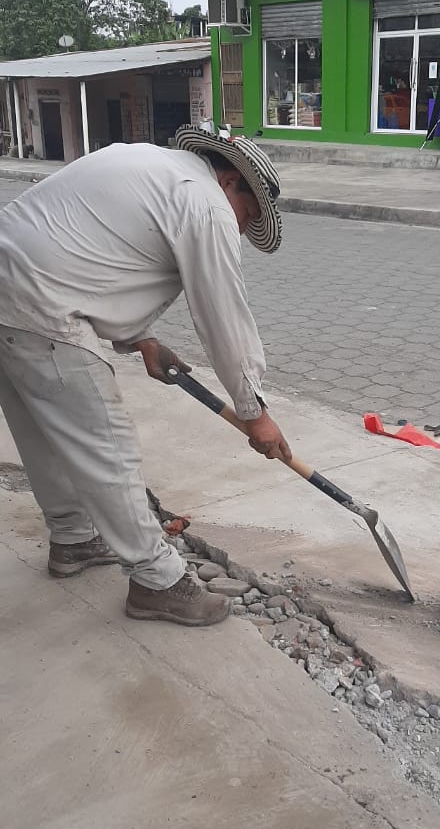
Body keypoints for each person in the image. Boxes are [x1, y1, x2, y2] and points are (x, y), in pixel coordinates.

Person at [0, 124, 292, 628]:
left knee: (42, 432)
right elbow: (222, 317)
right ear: (230, 182)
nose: (243, 228)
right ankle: (159, 582)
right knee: (106, 446)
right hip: (42, 302)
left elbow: (94, 255)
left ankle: (74, 539)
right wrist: (254, 412)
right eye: (248, 214)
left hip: (12, 284)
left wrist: (143, 341)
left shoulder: (153, 166)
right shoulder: (206, 204)